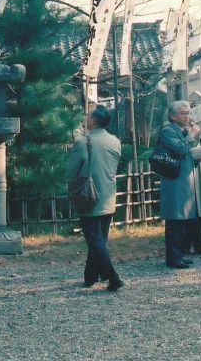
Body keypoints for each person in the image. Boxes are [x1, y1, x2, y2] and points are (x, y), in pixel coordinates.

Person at [66, 105, 123, 290]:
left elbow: (71, 171)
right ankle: (90, 277)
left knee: (94, 240)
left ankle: (113, 278)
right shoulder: (115, 141)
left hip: (88, 195)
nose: (86, 119)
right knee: (99, 240)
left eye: (88, 116)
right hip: (108, 195)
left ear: (95, 121)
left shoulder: (83, 142)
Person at [158, 100, 201, 269]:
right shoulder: (168, 130)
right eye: (183, 113)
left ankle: (179, 255)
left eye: (189, 112)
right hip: (175, 180)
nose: (187, 116)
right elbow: (180, 149)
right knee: (175, 220)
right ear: (173, 116)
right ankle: (173, 258)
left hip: (186, 178)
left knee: (184, 219)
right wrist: (192, 135)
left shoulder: (181, 130)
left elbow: (188, 151)